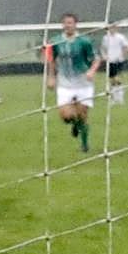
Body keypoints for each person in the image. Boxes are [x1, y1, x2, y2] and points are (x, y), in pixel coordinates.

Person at [45, 13, 101, 154]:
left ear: (76, 25)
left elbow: (96, 59)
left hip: (83, 83)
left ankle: (84, 144)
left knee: (82, 115)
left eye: (71, 23)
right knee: (66, 116)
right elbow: (51, 60)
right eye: (66, 23)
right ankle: (75, 125)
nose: (68, 25)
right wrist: (51, 77)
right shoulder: (55, 41)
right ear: (62, 25)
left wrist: (91, 71)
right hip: (65, 84)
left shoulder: (84, 41)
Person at [101, 23, 128, 105]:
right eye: (110, 28)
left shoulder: (120, 37)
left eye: (113, 28)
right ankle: (114, 98)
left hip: (118, 60)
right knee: (112, 80)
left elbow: (127, 47)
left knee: (117, 78)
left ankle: (120, 97)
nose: (112, 29)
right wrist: (104, 56)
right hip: (110, 61)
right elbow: (103, 48)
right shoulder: (105, 38)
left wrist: (122, 55)